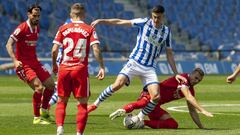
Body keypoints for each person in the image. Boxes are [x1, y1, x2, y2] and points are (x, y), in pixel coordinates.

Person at [87, 5, 185, 124]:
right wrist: (101, 21)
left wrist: (176, 73)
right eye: (154, 17)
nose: (155, 20)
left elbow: (169, 54)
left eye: (158, 17)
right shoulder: (143, 22)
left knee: (156, 96)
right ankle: (94, 105)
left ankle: (139, 117)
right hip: (135, 62)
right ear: (151, 15)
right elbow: (121, 22)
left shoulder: (166, 32)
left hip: (149, 68)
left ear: (163, 16)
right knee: (118, 84)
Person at [51, 3, 105, 135]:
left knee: (61, 101)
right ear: (84, 15)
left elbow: (54, 50)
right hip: (80, 70)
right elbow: (96, 49)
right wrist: (101, 66)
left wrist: (54, 65)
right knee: (82, 104)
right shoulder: (89, 29)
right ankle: (79, 133)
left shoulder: (63, 28)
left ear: (71, 14)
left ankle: (60, 129)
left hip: (64, 68)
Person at [110, 68, 213, 129]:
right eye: (196, 78)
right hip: (150, 94)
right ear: (191, 74)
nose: (196, 81)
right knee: (143, 102)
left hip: (155, 106)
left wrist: (201, 127)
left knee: (173, 125)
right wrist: (203, 110)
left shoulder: (191, 89)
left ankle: (140, 122)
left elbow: (192, 111)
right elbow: (189, 97)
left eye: (199, 80)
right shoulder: (183, 79)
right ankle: (123, 110)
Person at [5, 4, 55, 125]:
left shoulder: (37, 28)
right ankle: (36, 118)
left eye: (38, 16)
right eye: (34, 15)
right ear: (28, 14)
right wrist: (15, 61)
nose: (37, 18)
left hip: (35, 62)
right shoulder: (22, 28)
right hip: (24, 65)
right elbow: (8, 44)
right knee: (39, 88)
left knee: (51, 85)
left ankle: (44, 112)